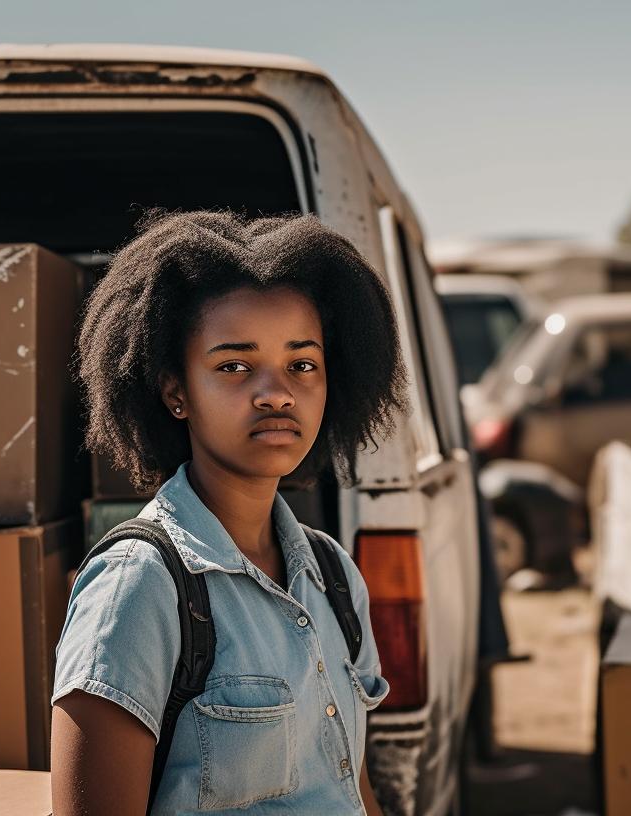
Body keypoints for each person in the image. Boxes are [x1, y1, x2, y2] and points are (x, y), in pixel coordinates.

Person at [51, 210, 408, 816]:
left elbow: (350, 789)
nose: (276, 392)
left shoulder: (335, 575)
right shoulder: (139, 587)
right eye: (234, 366)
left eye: (302, 364)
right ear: (175, 392)